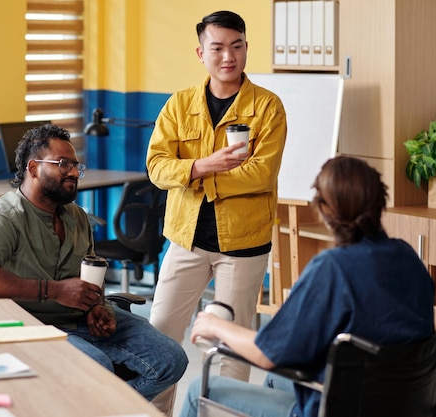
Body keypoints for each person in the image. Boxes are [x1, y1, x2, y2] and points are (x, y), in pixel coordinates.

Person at [179, 155, 436, 417]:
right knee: (276, 382)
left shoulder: (333, 268)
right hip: (399, 406)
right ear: (380, 202)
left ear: (324, 210)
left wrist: (215, 325)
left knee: (200, 388)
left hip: (339, 407)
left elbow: (268, 354)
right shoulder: (407, 257)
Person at [0, 123, 188, 406]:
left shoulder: (77, 216)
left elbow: (92, 274)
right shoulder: (5, 218)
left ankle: (106, 410)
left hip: (81, 320)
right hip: (35, 324)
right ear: (33, 168)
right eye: (63, 164)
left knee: (171, 360)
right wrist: (54, 291)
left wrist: (98, 307)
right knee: (97, 368)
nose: (73, 172)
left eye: (75, 166)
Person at [145, 10, 287, 415]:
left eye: (237, 46)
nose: (229, 56)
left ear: (246, 49)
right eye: (218, 47)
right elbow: (156, 166)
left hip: (243, 245)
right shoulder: (179, 104)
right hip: (185, 238)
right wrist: (201, 166)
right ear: (201, 53)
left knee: (232, 350)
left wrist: (199, 177)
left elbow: (262, 172)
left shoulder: (268, 107)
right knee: (159, 338)